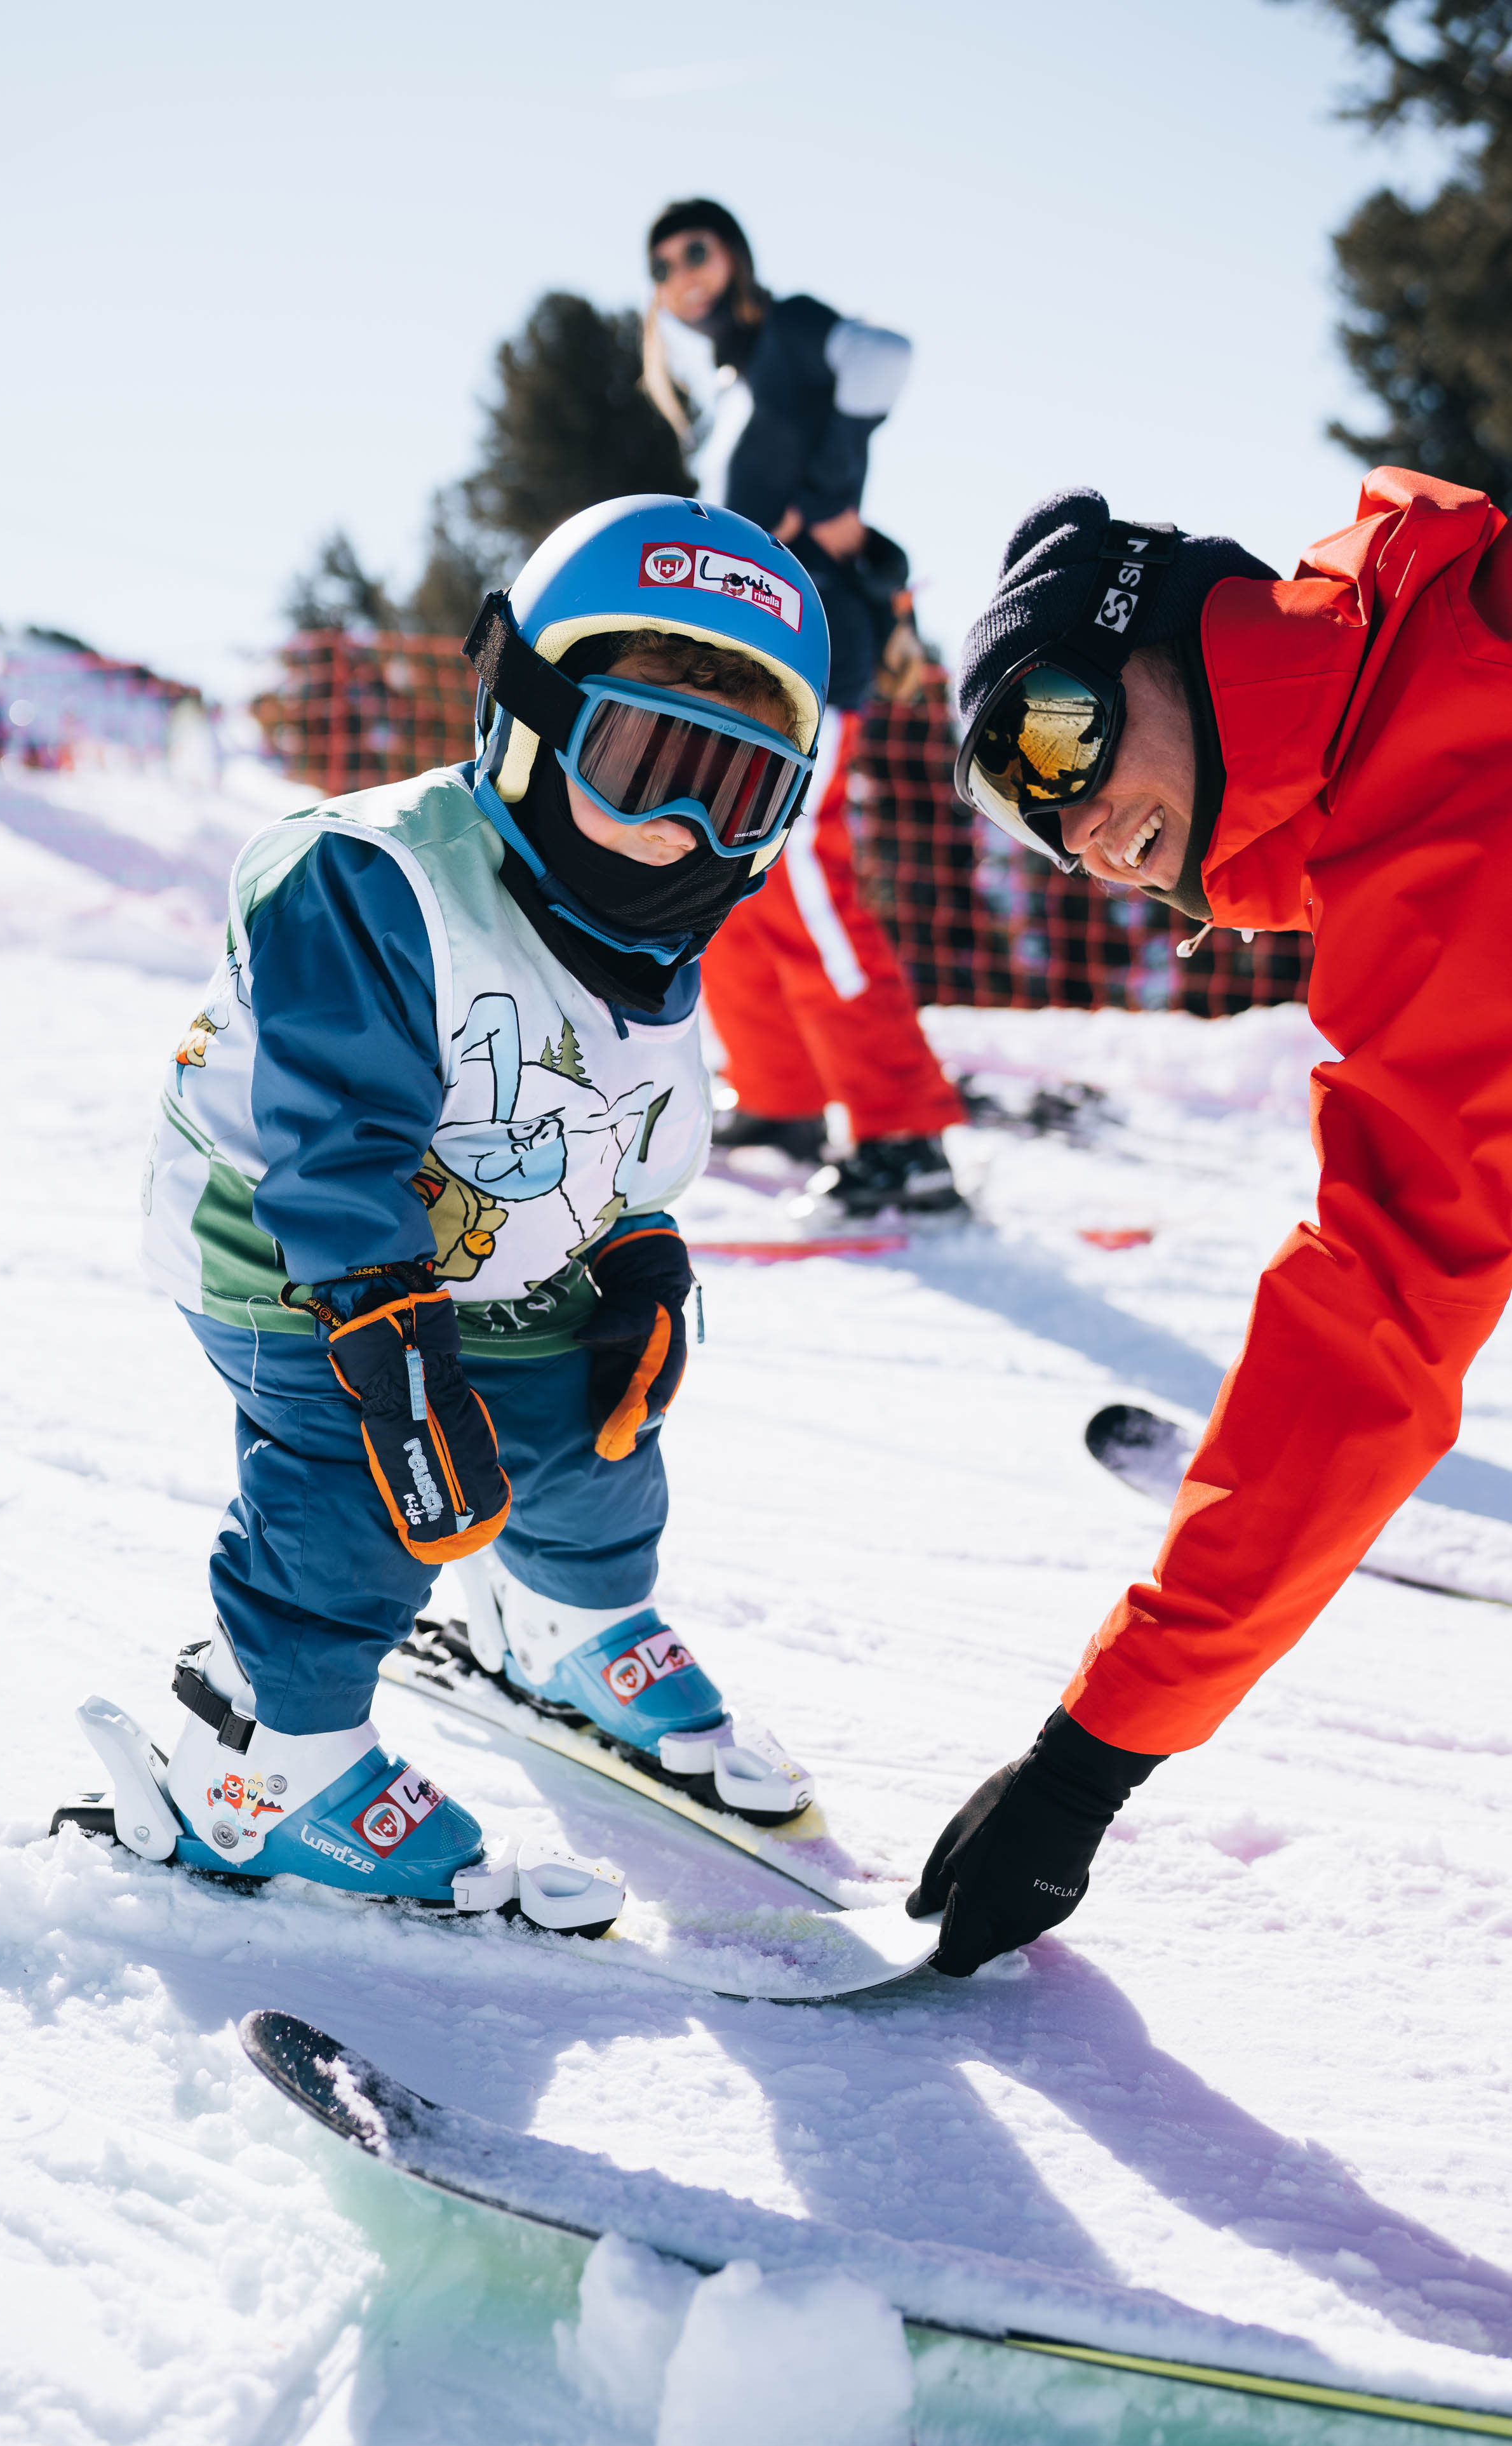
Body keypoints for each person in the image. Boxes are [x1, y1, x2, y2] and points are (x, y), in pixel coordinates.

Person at [121, 496, 827, 1908]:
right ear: (534, 715)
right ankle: (272, 1765)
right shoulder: (375, 879)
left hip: (493, 1248)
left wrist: (635, 1253)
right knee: (363, 1482)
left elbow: (618, 1134)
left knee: (596, 1423)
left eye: (733, 789)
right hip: (296, 1253)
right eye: (642, 763)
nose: (677, 829)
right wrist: (391, 1342)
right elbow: (335, 1142)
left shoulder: (648, 938)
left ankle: (564, 1618)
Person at [910, 467, 1512, 1974]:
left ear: (1163, 632)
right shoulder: (1400, 790)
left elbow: (1371, 1318)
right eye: (1019, 809)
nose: (1075, 824)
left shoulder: (1447, 731)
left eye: (1052, 732)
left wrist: (1089, 1757)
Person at [641, 198, 965, 1215]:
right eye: (663, 264)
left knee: (808, 883)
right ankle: (784, 1099)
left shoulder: (789, 334)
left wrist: (831, 499)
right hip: (745, 672)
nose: (684, 273)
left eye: (697, 248)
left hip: (816, 658)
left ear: (733, 254)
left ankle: (904, 1137)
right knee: (729, 873)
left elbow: (886, 358)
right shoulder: (731, 389)